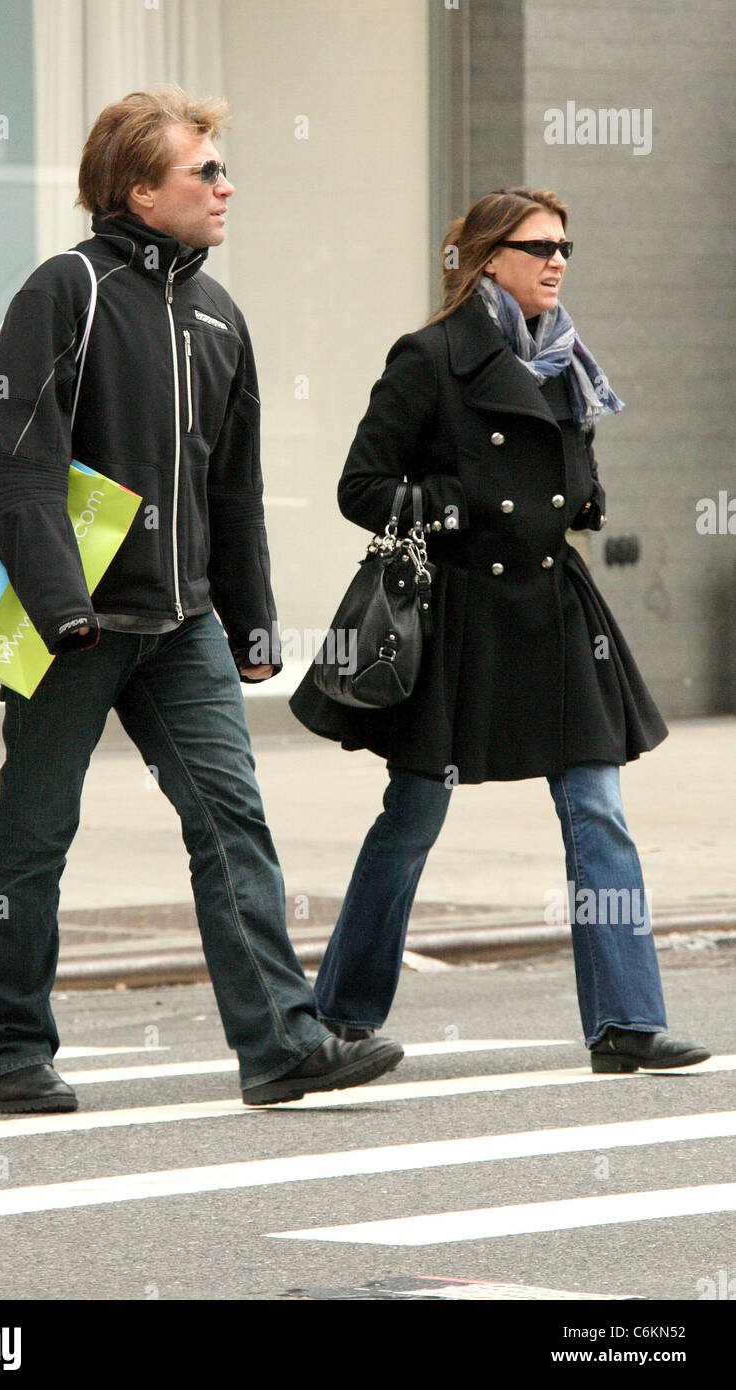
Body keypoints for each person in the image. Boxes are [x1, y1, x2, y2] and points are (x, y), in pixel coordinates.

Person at [0, 86, 403, 1112]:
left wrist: (250, 620)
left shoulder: (217, 311)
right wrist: (59, 603)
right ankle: (13, 1049)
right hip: (72, 626)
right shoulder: (64, 292)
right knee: (35, 836)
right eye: (202, 170)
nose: (225, 184)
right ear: (137, 190)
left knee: (232, 823)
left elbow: (230, 485)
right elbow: (15, 460)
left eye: (221, 167)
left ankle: (282, 1043)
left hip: (182, 626)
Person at [290, 187, 709, 1074]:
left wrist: (586, 491)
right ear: (486, 259)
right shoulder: (430, 357)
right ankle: (341, 1011)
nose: (558, 260)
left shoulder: (565, 361)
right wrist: (454, 504)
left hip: (555, 611)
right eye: (538, 246)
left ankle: (627, 1021)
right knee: (413, 815)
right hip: (460, 613)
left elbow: (573, 480)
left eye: (565, 245)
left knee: (597, 806)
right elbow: (361, 487)